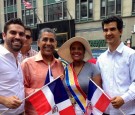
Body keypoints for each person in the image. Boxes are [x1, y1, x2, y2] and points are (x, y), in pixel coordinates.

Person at [97, 15, 135, 115]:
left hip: (127, 112)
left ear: (121, 31)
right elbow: (99, 85)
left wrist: (123, 98)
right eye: (105, 30)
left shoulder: (131, 55)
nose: (108, 33)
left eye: (112, 29)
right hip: (107, 111)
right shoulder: (101, 58)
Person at [21, 28, 64, 115]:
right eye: (45, 39)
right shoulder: (27, 64)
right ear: (38, 43)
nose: (48, 43)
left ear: (55, 43)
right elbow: (20, 90)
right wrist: (44, 93)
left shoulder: (59, 64)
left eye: (51, 40)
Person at [58, 36, 102, 114]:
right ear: (70, 51)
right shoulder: (66, 69)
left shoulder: (93, 68)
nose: (76, 51)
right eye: (73, 48)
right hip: (68, 111)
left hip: (87, 111)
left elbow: (98, 95)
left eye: (79, 48)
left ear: (84, 51)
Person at [0, 18, 25, 115]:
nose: (18, 37)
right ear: (4, 35)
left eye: (21, 34)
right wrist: (3, 100)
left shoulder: (18, 57)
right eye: (13, 33)